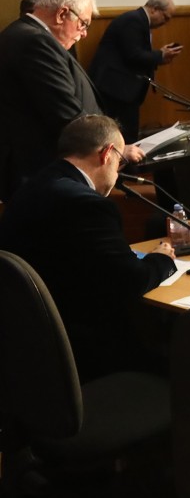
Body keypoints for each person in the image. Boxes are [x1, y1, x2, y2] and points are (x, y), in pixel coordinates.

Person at [0, 115, 176, 382]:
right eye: (120, 162)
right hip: (83, 353)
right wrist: (162, 259)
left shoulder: (33, 186)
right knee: (178, 364)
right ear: (106, 154)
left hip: (26, 346)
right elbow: (131, 280)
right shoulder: (86, 204)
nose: (118, 175)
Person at [0, 0, 103, 200]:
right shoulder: (35, 41)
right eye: (83, 23)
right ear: (61, 14)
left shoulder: (28, 35)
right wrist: (107, 146)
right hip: (38, 169)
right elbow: (64, 111)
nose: (84, 33)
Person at [88, 0, 182, 142]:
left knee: (126, 135)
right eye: (166, 17)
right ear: (154, 9)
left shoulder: (139, 21)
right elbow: (133, 55)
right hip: (115, 89)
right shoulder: (133, 20)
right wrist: (160, 54)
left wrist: (160, 57)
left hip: (122, 89)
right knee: (122, 137)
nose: (166, 23)